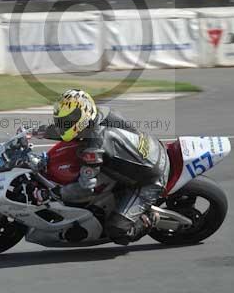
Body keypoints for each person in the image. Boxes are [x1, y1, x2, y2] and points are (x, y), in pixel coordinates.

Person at [24, 88, 170, 245]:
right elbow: (69, 129)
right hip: (148, 151)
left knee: (117, 230)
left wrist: (52, 193)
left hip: (150, 179)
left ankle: (149, 219)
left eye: (70, 118)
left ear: (83, 115)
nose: (65, 123)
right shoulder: (100, 113)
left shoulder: (96, 147)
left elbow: (86, 188)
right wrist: (34, 132)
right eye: (62, 119)